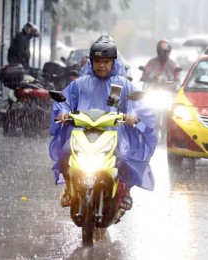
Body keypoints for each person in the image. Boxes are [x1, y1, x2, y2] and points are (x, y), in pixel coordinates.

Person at [49, 36, 157, 210]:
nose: (101, 65)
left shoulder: (122, 84)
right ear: (91, 62)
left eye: (106, 61)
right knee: (65, 154)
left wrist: (133, 115)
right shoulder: (80, 84)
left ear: (113, 62)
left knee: (124, 158)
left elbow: (137, 104)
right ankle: (69, 189)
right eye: (98, 61)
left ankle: (126, 191)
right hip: (83, 133)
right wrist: (62, 112)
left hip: (114, 135)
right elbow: (64, 100)